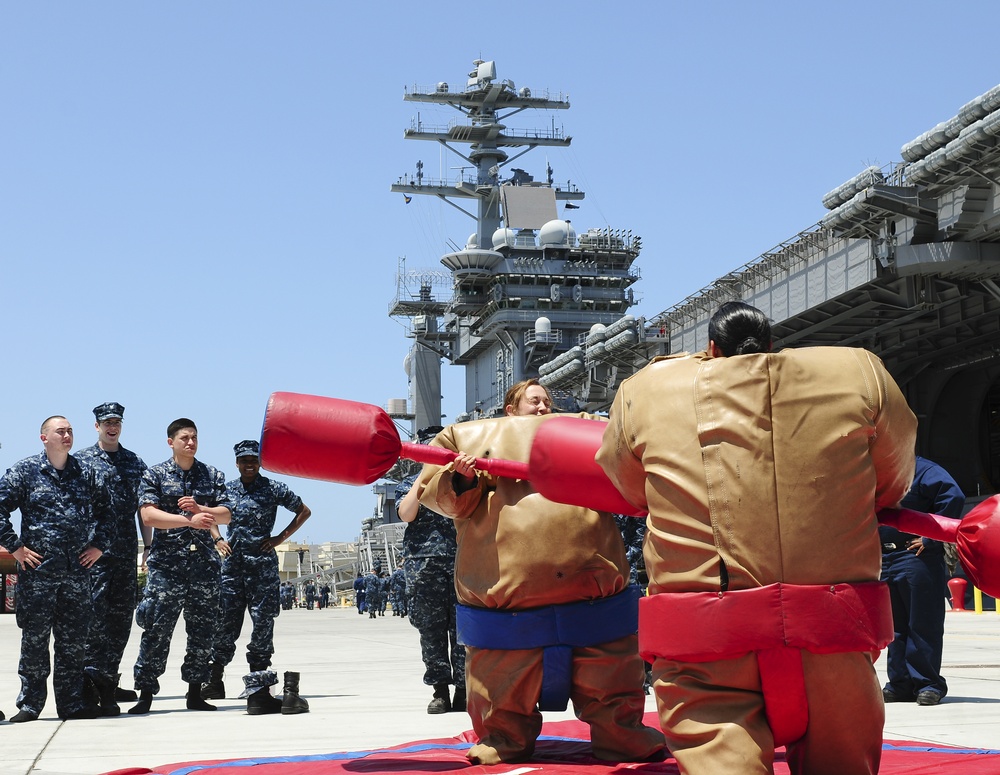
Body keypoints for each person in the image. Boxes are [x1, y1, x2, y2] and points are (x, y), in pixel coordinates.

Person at [596, 301, 918, 775]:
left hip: (705, 629)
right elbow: (892, 480)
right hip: (831, 621)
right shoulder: (860, 372)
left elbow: (627, 488)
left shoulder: (643, 390)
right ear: (771, 346)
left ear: (710, 349)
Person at [414, 379, 665, 765]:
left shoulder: (585, 431)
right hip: (506, 598)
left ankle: (621, 732)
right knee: (500, 685)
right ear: (510, 409)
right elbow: (441, 500)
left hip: (593, 593)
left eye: (548, 400)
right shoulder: (468, 438)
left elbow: (630, 479)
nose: (544, 406)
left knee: (610, 677)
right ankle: (503, 736)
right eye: (534, 400)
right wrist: (461, 477)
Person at [0, 416, 114, 722]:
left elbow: (108, 513)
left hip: (76, 573)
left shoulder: (87, 473)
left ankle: (72, 703)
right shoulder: (24, 471)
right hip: (39, 574)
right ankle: (30, 704)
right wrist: (16, 547)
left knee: (73, 642)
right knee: (35, 640)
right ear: (44, 437)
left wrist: (99, 546)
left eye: (70, 431)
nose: (67, 435)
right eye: (60, 431)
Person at [128, 418, 232, 715]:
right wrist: (189, 521)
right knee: (156, 629)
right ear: (170, 441)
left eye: (195, 437)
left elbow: (226, 514)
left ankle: (195, 692)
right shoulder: (155, 475)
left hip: (204, 567)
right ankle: (146, 692)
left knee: (202, 632)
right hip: (167, 567)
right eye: (185, 438)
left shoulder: (212, 474)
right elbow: (148, 516)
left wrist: (202, 510)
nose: (191, 442)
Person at [202, 439, 311, 715]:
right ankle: (215, 680)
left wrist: (279, 538)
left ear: (260, 462)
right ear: (237, 463)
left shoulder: (273, 488)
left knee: (263, 624)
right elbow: (209, 515)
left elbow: (303, 510)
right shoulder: (226, 492)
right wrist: (217, 539)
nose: (249, 464)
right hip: (232, 567)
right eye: (244, 460)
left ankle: (258, 684)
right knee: (226, 623)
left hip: (261, 566)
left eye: (254, 460)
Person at [76, 401, 151, 715]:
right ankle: (88, 682)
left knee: (120, 621)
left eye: (117, 422)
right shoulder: (79, 462)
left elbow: (143, 510)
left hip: (122, 555)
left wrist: (148, 548)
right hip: (91, 556)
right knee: (93, 621)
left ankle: (108, 678)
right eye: (106, 422)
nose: (112, 426)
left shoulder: (134, 463)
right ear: (96, 426)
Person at [881, 456, 965, 706]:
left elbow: (954, 497)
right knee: (894, 627)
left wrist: (932, 538)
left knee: (922, 622)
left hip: (915, 556)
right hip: (885, 557)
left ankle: (928, 684)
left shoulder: (924, 470)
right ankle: (900, 684)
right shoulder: (880, 472)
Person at [396, 428, 465, 713]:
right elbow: (406, 513)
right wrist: (424, 479)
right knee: (431, 630)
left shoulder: (461, 481)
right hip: (423, 565)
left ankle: (463, 689)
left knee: (463, 630)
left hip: (461, 561)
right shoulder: (410, 483)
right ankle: (440, 691)